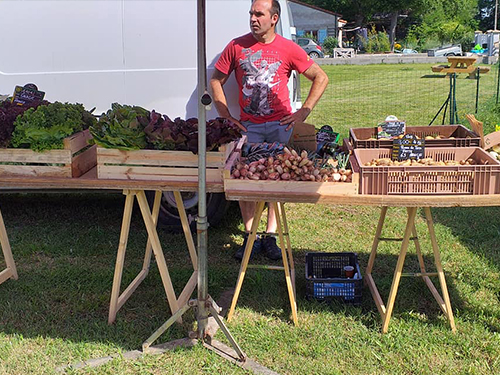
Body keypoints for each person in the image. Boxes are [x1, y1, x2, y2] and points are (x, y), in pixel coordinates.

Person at [210, 0, 328, 261]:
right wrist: (226, 116)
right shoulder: (236, 46)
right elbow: (216, 80)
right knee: (245, 180)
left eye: (259, 14)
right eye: (251, 13)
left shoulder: (288, 48)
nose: (253, 18)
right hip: (249, 126)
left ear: (274, 18)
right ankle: (250, 237)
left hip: (280, 125)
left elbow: (321, 77)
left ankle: (270, 236)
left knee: (278, 179)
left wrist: (304, 111)